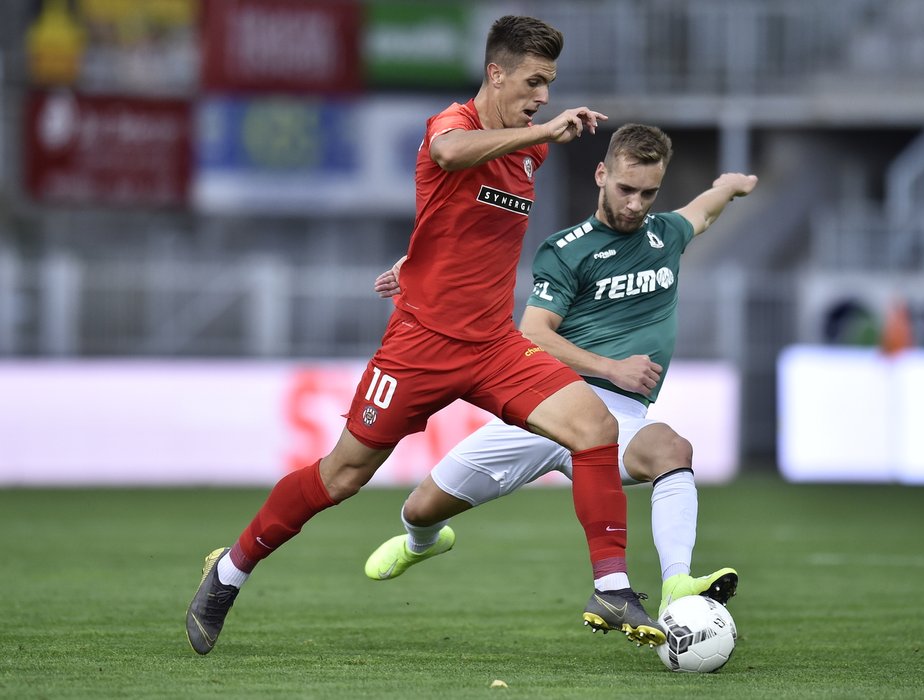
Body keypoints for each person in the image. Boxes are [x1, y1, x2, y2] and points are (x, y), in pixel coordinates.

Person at [186, 15, 665, 656]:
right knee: (341, 476)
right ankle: (228, 573)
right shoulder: (455, 125)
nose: (544, 96)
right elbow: (443, 159)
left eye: (549, 84)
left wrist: (415, 262)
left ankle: (610, 585)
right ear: (496, 73)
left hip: (495, 346)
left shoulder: (530, 148)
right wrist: (542, 129)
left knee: (594, 427)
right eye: (534, 81)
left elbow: (454, 223)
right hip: (419, 346)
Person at [363, 124, 757, 618]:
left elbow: (703, 210)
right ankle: (421, 545)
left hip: (617, 418)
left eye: (648, 192)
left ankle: (677, 584)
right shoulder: (568, 249)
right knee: (420, 510)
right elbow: (533, 333)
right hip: (549, 404)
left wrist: (729, 187)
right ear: (601, 174)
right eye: (625, 189)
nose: (636, 204)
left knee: (672, 449)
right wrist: (612, 367)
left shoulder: (666, 235)